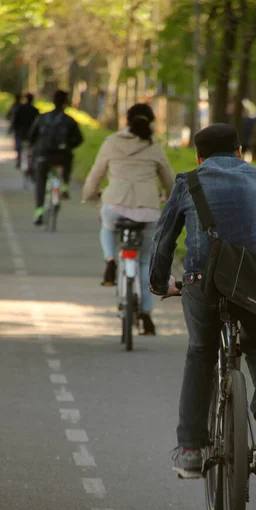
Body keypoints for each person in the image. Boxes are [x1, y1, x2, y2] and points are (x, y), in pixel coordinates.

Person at [149, 123, 256, 478]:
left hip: (203, 284)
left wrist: (161, 283)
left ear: (198, 156)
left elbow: (163, 240)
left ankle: (190, 451)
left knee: (201, 352)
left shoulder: (188, 181)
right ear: (240, 152)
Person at [82, 103, 175, 336]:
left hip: (115, 205)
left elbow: (96, 173)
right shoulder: (154, 146)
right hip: (148, 210)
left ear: (126, 120)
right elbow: (169, 180)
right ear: (151, 122)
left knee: (107, 225)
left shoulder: (112, 142)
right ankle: (146, 314)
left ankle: (110, 259)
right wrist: (169, 197)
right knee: (144, 262)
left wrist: (89, 195)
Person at [28, 89, 83, 225]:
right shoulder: (69, 120)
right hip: (61, 156)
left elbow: (31, 136)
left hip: (43, 155)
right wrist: (69, 146)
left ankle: (39, 210)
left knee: (41, 181)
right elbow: (79, 139)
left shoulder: (42, 117)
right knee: (68, 159)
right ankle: (64, 186)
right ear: (65, 103)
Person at [12, 93, 39, 170]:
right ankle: (29, 162)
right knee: (30, 148)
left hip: (21, 131)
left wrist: (15, 128)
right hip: (31, 133)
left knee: (19, 147)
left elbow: (15, 120)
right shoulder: (35, 110)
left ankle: (19, 159)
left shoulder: (20, 108)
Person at [6, 93, 22, 167]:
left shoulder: (14, 106)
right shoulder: (20, 106)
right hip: (20, 128)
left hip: (18, 128)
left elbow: (9, 116)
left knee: (18, 144)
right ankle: (20, 157)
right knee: (19, 144)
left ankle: (19, 157)